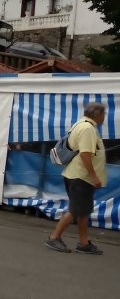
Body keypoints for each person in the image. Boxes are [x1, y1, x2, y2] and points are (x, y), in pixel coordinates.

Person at [46, 102, 107, 255]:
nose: (104, 118)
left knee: (83, 211)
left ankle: (83, 243)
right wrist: (94, 177)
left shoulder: (80, 124)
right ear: (98, 115)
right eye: (103, 114)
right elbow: (85, 154)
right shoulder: (88, 129)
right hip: (82, 177)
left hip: (76, 175)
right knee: (76, 210)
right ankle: (54, 237)